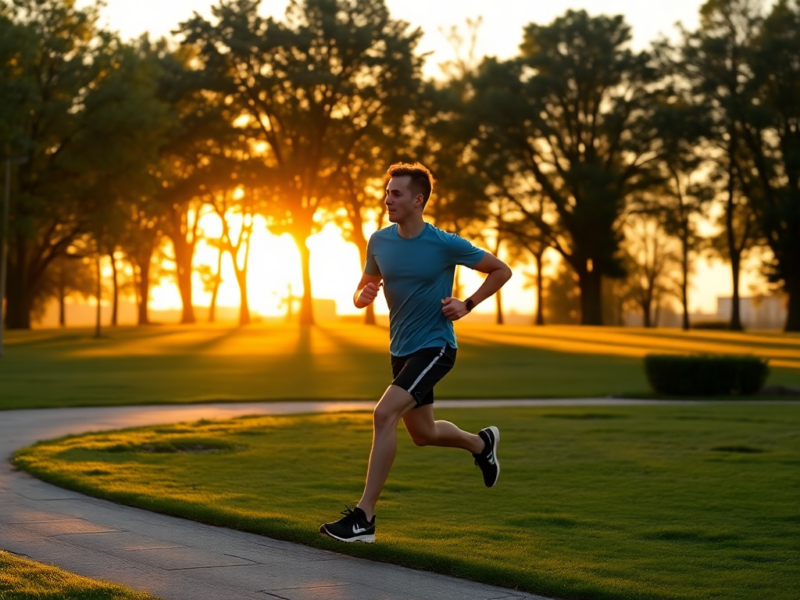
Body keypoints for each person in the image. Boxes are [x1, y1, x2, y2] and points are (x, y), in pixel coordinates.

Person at [319, 162, 512, 543]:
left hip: (436, 346)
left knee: (383, 413)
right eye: (387, 192)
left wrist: (468, 303)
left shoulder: (445, 244)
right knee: (422, 434)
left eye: (396, 193)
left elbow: (501, 270)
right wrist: (364, 296)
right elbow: (362, 290)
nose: (387, 199)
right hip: (401, 349)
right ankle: (481, 444)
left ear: (417, 200)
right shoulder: (379, 241)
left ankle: (364, 519)